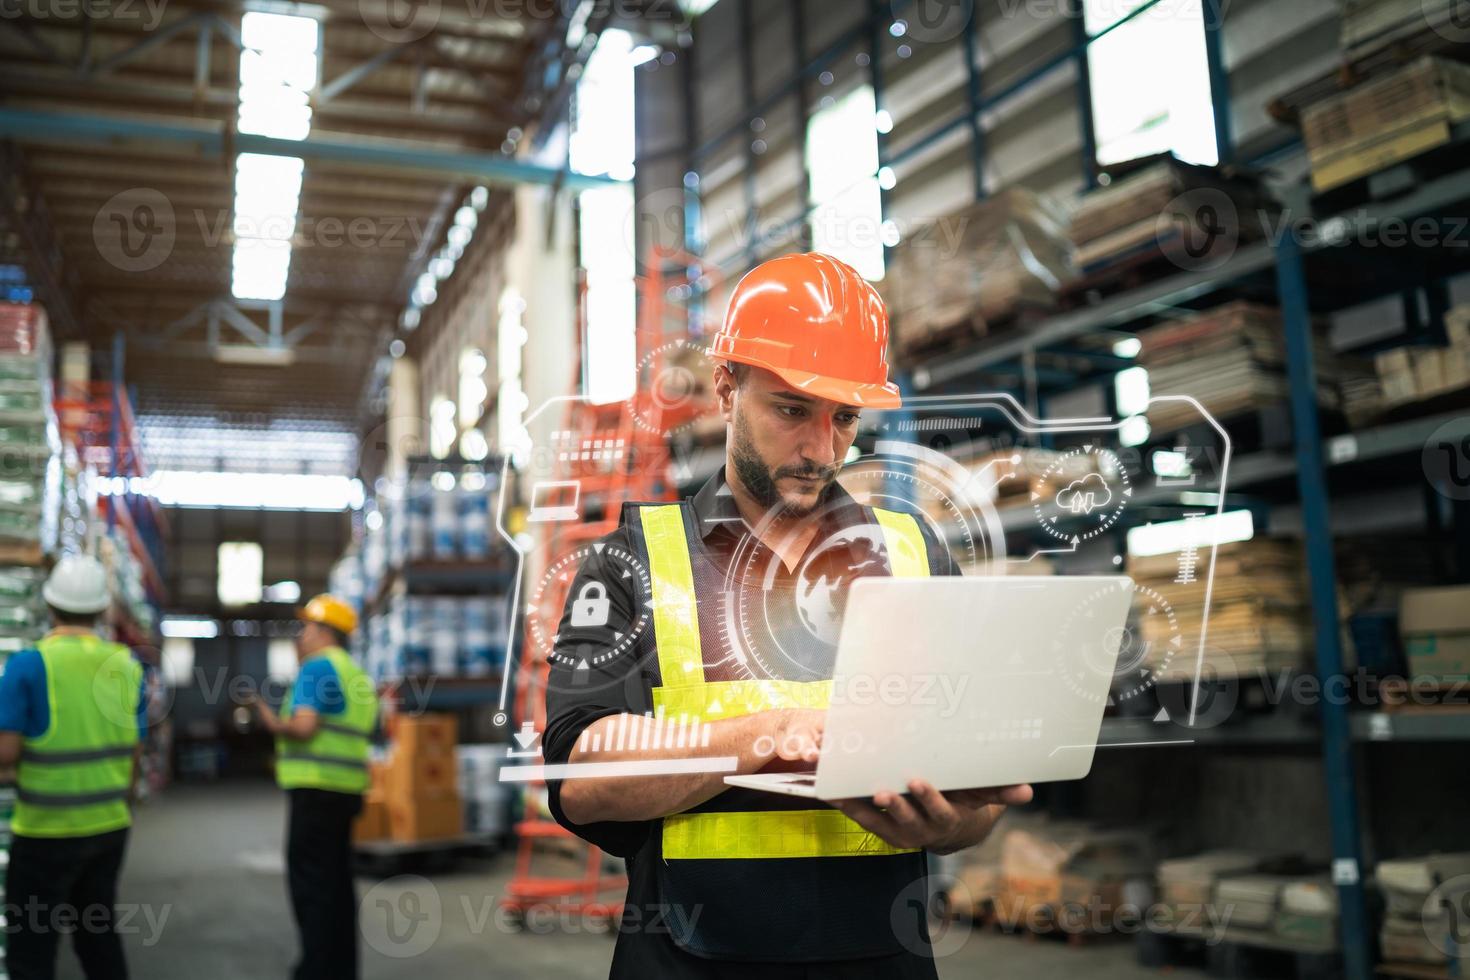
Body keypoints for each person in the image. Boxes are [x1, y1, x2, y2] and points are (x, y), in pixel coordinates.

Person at [544, 252, 1033, 977]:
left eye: (844, 419)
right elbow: (581, 778)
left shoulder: (910, 550)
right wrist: (765, 738)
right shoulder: (635, 558)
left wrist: (956, 821)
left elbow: (979, 777)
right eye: (792, 410)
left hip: (879, 959)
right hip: (690, 960)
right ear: (725, 388)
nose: (819, 447)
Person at [0, 554, 146, 980]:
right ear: (103, 610)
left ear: (49, 605)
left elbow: (5, 754)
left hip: (46, 831)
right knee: (98, 938)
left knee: (32, 950)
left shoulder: (29, 665)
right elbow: (134, 753)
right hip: (108, 828)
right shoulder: (126, 665)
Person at [253, 594, 378, 980]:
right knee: (338, 884)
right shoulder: (354, 673)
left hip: (315, 791)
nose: (301, 636)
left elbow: (305, 726)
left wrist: (272, 723)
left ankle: (316, 969)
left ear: (325, 632)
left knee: (312, 887)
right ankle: (340, 969)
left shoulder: (317, 668)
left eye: (306, 627)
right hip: (346, 791)